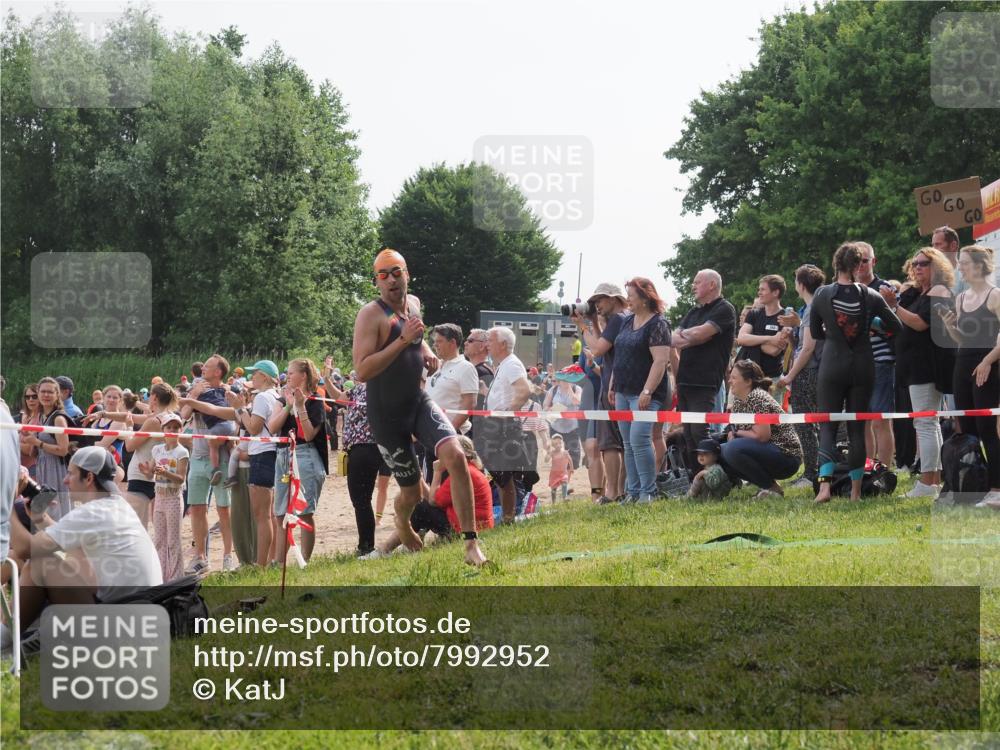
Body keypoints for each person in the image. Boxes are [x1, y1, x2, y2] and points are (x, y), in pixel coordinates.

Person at [353, 248, 487, 566]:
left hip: (417, 401)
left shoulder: (412, 304)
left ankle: (471, 546)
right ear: (376, 282)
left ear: (407, 274)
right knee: (412, 495)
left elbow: (415, 335)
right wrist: (402, 342)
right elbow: (361, 370)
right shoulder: (371, 315)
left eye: (396, 272)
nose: (391, 281)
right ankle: (401, 522)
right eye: (383, 276)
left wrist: (425, 348)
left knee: (454, 453)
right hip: (386, 415)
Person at [18, 446, 162, 630]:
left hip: (123, 621)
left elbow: (25, 548)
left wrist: (5, 505)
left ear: (89, 478)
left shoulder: (93, 512)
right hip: (141, 616)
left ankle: (6, 639)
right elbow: (72, 550)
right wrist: (39, 517)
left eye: (70, 474)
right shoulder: (115, 506)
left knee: (40, 563)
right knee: (63, 560)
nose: (65, 480)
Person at [811, 243, 902, 503]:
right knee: (856, 429)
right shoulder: (871, 296)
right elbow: (896, 327)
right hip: (863, 365)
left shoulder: (822, 294)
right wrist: (871, 326)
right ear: (857, 265)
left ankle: (825, 489)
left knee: (827, 427)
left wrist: (833, 328)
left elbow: (816, 333)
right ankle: (855, 492)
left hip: (832, 363)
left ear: (836, 264)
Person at [879, 247, 955, 498]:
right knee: (925, 422)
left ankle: (927, 482)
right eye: (915, 263)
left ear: (938, 266)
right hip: (911, 364)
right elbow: (897, 320)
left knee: (925, 422)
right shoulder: (912, 291)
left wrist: (894, 305)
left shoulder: (941, 291)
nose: (918, 267)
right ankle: (932, 480)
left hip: (928, 365)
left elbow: (919, 323)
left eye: (925, 263)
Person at [939, 246, 1000, 506]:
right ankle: (977, 481)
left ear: (977, 265)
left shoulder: (995, 295)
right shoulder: (961, 298)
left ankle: (997, 490)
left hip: (988, 363)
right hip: (963, 364)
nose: (959, 268)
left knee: (988, 429)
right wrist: (949, 326)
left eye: (963, 263)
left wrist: (988, 361)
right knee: (967, 429)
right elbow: (962, 339)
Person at [370, 435, 494, 557]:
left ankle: (386, 549)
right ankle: (401, 543)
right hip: (478, 526)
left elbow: (433, 500)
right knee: (422, 509)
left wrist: (436, 472)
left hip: (467, 529)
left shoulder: (463, 474)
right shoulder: (472, 470)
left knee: (420, 508)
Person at [671, 269, 738, 474]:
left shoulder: (724, 309)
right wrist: (692, 335)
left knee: (701, 432)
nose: (693, 286)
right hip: (685, 380)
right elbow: (673, 339)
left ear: (712, 285)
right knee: (688, 434)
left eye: (697, 281)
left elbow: (700, 334)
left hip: (706, 381)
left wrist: (692, 335)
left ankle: (716, 476)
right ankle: (695, 478)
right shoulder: (693, 312)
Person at [178, 354, 240, 571]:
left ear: (218, 372)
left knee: (224, 508)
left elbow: (237, 418)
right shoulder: (197, 391)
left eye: (208, 366)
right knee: (197, 508)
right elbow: (182, 416)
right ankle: (200, 557)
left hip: (221, 459)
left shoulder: (227, 392)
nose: (203, 368)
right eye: (203, 365)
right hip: (197, 457)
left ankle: (227, 556)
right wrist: (193, 394)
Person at [612, 277, 672, 502]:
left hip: (646, 393)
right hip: (622, 390)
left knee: (639, 438)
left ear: (645, 298)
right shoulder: (627, 322)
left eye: (631, 296)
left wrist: (647, 391)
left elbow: (660, 361)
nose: (628, 300)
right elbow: (619, 353)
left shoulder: (658, 324)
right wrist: (612, 385)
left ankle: (648, 491)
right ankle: (633, 491)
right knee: (627, 443)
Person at [571, 282, 629, 504]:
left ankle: (613, 492)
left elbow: (597, 349)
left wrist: (584, 327)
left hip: (613, 388)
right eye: (593, 302)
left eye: (599, 300)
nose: (596, 305)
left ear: (613, 299)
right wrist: (593, 322)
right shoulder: (621, 319)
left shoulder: (617, 319)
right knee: (617, 443)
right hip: (611, 385)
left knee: (612, 444)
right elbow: (604, 347)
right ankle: (617, 491)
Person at [269, 358, 328, 563]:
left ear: (303, 375)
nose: (288, 376)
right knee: (280, 513)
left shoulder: (316, 402)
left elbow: (308, 434)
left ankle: (305, 561)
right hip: (283, 455)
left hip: (305, 455)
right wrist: (288, 406)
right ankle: (279, 562)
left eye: (291, 372)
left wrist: (300, 407)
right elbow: (272, 428)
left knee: (304, 512)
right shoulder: (281, 399)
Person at [776, 265, 826, 489]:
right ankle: (814, 471)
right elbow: (801, 346)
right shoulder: (809, 309)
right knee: (812, 425)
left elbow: (808, 349)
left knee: (806, 425)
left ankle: (812, 474)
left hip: (808, 373)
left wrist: (789, 376)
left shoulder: (811, 308)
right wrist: (791, 336)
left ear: (801, 284)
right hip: (813, 370)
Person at [722, 360, 802, 498]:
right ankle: (769, 486)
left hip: (787, 455)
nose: (729, 381)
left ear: (747, 381)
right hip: (768, 450)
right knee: (719, 450)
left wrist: (736, 433)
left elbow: (762, 435)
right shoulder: (739, 399)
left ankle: (770, 487)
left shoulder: (757, 397)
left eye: (734, 378)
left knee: (731, 449)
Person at [479, 325, 533, 522]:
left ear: (502, 344)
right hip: (498, 424)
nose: (486, 344)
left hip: (504, 426)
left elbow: (524, 390)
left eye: (490, 341)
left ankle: (509, 517)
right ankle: (508, 516)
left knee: (504, 474)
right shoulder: (504, 364)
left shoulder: (511, 364)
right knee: (501, 475)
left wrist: (508, 412)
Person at [855, 241, 898, 471]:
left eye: (865, 260)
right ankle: (867, 469)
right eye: (857, 260)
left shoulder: (885, 289)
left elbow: (896, 327)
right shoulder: (847, 289)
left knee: (881, 420)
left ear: (874, 261)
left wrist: (868, 324)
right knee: (861, 421)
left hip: (881, 360)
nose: (860, 265)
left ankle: (884, 472)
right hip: (855, 362)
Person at [343, 379, 392, 556]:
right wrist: (326, 376)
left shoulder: (379, 388)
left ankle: (366, 546)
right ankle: (365, 544)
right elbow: (339, 398)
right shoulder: (359, 389)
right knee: (362, 500)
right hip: (365, 448)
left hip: (365, 447)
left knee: (361, 501)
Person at [139, 412, 188, 581]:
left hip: (174, 498)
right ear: (163, 429)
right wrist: (147, 472)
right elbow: (151, 473)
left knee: (173, 541)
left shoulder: (182, 452)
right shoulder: (157, 449)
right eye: (169, 427)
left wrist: (165, 473)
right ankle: (160, 576)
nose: (172, 430)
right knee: (159, 539)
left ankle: (176, 577)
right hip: (159, 497)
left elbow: (181, 479)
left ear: (180, 430)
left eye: (175, 427)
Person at [123, 383, 179, 529]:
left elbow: (129, 446)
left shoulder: (153, 421)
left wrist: (128, 428)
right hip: (160, 474)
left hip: (140, 474)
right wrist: (103, 414)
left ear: (154, 397)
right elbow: (133, 416)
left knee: (137, 526)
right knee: (160, 527)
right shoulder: (172, 418)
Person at [21, 377, 71, 519]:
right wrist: (32, 441)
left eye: (50, 392)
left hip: (56, 469)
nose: (46, 395)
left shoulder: (58, 419)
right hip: (42, 466)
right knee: (46, 509)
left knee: (56, 509)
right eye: (42, 392)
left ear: (57, 395)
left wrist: (37, 443)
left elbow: (63, 450)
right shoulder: (42, 416)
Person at [427, 323, 479, 435]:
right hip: (431, 432)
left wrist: (449, 430)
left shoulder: (466, 367)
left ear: (452, 343)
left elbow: (470, 403)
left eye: (439, 341)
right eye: (435, 341)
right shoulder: (435, 366)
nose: (435, 345)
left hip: (454, 434)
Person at [736, 275, 790, 380]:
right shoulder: (753, 314)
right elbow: (741, 338)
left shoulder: (785, 317)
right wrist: (770, 338)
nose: (759, 292)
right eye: (759, 289)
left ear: (775, 292)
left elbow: (774, 350)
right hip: (747, 377)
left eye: (763, 289)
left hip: (770, 379)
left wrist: (751, 341)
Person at [542, 365, 585, 471]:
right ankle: (561, 480)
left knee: (573, 459)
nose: (565, 380)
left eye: (568, 377)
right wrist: (553, 410)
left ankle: (567, 479)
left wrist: (569, 388)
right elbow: (545, 407)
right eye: (564, 378)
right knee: (558, 457)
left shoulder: (576, 388)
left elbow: (577, 401)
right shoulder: (553, 390)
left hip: (572, 427)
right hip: (556, 427)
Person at [463, 328, 494, 414]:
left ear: (482, 346)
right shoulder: (477, 369)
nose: (465, 343)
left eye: (470, 341)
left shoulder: (482, 372)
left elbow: (481, 405)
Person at [17, 383, 42, 477]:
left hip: (33, 468)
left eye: (34, 396)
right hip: (20, 466)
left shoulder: (41, 419)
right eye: (27, 397)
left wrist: (12, 442)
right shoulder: (25, 416)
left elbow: (29, 450)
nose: (30, 400)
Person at [547, 433, 574, 503]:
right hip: (554, 474)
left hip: (563, 473)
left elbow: (570, 460)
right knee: (553, 489)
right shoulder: (552, 453)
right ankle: (553, 502)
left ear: (562, 443)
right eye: (556, 444)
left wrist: (571, 468)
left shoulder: (565, 452)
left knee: (565, 483)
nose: (558, 445)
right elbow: (546, 460)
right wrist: (548, 453)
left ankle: (564, 497)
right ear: (553, 445)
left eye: (560, 443)